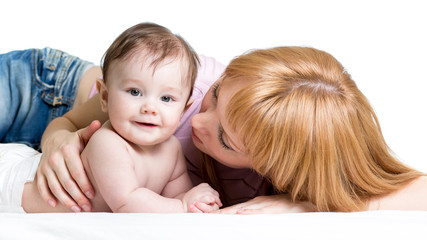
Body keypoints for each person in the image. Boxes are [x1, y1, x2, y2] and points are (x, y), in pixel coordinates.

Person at [39, 45, 427, 213]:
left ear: (273, 169)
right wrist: (56, 142)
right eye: (218, 94)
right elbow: (69, 121)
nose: (197, 118)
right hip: (50, 85)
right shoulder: (192, 83)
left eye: (225, 138)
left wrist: (301, 205)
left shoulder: (274, 175)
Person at [0, 23, 222, 213]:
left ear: (184, 110)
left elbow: (177, 194)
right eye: (135, 92)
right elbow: (127, 202)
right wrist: (183, 206)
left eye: (166, 98)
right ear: (104, 96)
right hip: (13, 182)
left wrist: (196, 202)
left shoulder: (173, 150)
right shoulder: (108, 142)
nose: (150, 108)